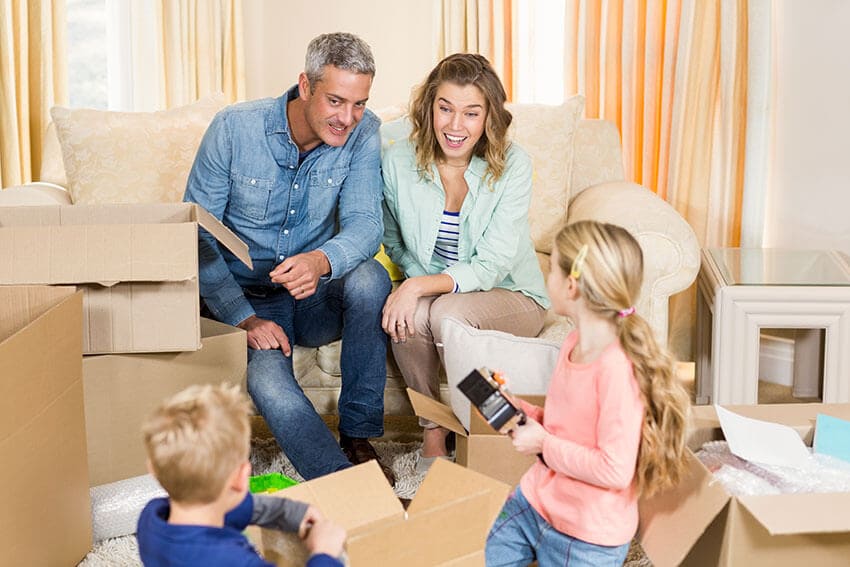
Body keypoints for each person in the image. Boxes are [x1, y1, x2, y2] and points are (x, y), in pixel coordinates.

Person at [184, 32, 394, 484]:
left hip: (316, 297)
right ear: (305, 85)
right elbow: (196, 235)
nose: (348, 118)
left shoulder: (365, 131)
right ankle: (343, 484)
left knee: (370, 278)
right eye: (336, 101)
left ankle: (358, 436)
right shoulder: (234, 128)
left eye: (359, 103)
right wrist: (242, 318)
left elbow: (365, 224)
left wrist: (321, 260)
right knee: (267, 382)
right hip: (250, 300)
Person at [484, 220, 691, 566]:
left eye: (550, 269)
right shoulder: (573, 341)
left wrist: (542, 444)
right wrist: (515, 408)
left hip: (585, 535)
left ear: (571, 286)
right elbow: (566, 425)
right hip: (534, 501)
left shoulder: (618, 370)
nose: (545, 277)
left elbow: (614, 470)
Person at [381, 53, 550, 470]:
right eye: (445, 109)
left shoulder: (514, 165)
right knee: (408, 318)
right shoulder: (397, 159)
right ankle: (434, 430)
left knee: (443, 315)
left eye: (471, 113)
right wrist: (415, 284)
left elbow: (491, 265)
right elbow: (394, 241)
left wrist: (416, 287)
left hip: (511, 293)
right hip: (437, 288)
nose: (456, 126)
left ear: (489, 117)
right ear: (429, 108)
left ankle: (491, 425)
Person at [137, 383, 346, 567]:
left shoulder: (150, 518)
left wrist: (292, 513)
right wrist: (324, 553)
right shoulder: (235, 560)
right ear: (242, 477)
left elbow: (235, 509)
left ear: (152, 471)